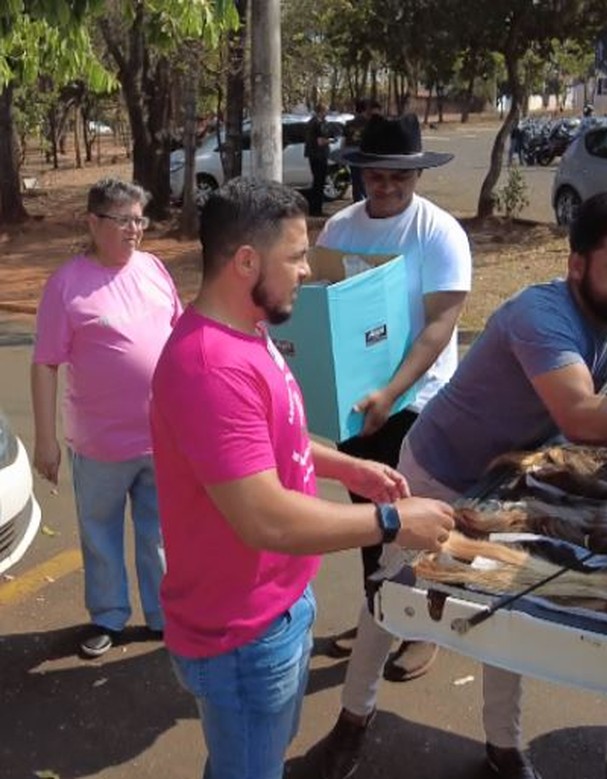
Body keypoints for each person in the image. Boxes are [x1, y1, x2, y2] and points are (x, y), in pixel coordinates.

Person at [319, 189, 607, 779]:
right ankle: (351, 720)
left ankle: (503, 747)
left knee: (507, 610)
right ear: (577, 266)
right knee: (389, 597)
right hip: (440, 470)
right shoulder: (540, 316)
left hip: (509, 478)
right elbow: (584, 417)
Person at [149, 177, 455, 779]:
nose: (308, 270)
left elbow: (277, 442)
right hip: (242, 632)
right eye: (295, 256)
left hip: (277, 608)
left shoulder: (249, 332)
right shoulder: (212, 368)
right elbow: (264, 517)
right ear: (245, 262)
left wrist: (349, 467)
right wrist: (391, 522)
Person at [316, 112, 472, 682]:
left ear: (416, 176)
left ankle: (424, 625)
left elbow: (439, 325)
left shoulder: (438, 233)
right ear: (360, 174)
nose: (386, 187)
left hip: (416, 402)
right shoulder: (338, 229)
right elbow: (320, 306)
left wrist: (392, 392)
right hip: (357, 404)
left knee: (414, 518)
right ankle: (379, 612)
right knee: (371, 519)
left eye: (397, 177)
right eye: (375, 176)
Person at [30, 178, 182, 658]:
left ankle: (162, 617)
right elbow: (44, 364)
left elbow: (181, 342)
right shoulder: (67, 284)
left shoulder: (155, 268)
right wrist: (45, 439)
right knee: (100, 535)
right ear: (93, 223)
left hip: (161, 438)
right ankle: (108, 616)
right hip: (98, 445)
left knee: (159, 534)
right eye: (123, 220)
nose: (135, 230)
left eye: (140, 219)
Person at [342, 99, 373, 202]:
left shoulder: (349, 123)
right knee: (365, 180)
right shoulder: (368, 123)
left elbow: (344, 140)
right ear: (365, 109)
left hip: (351, 154)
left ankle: (357, 201)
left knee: (356, 180)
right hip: (364, 154)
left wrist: (343, 153)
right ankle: (368, 200)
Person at [304, 103, 332, 216]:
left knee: (317, 182)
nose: (327, 113)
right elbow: (319, 141)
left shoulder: (311, 122)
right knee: (319, 182)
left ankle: (314, 208)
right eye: (326, 111)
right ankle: (316, 210)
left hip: (313, 155)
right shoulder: (317, 124)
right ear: (322, 111)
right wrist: (330, 140)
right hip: (319, 156)